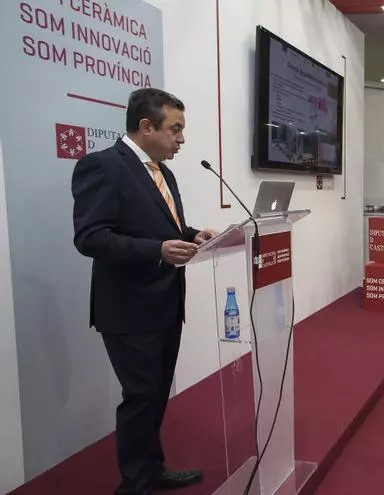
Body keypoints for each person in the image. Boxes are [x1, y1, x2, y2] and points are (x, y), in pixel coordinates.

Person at [71, 88, 213, 494]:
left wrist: (191, 234)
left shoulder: (164, 172)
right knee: (140, 397)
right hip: (128, 309)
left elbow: (161, 228)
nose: (182, 139)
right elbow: (90, 237)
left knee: (155, 395)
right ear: (146, 126)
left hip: (167, 303)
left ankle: (152, 469)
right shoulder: (101, 166)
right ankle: (134, 486)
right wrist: (157, 251)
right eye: (176, 129)